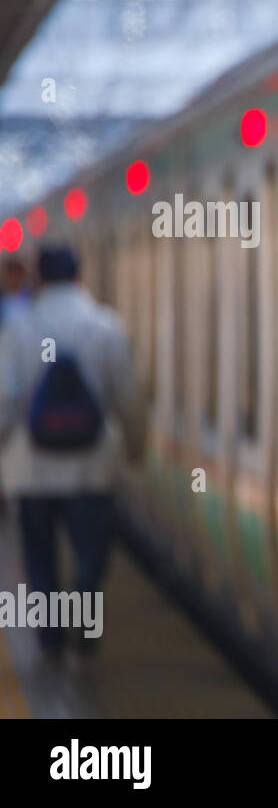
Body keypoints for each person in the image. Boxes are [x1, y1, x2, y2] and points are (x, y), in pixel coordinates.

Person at [0, 244, 146, 662]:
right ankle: (84, 616)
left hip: (32, 470)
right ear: (80, 276)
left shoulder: (19, 329)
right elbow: (129, 397)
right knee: (91, 552)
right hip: (91, 467)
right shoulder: (106, 328)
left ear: (39, 280)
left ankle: (49, 640)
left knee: (39, 558)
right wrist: (135, 446)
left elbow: (5, 400)